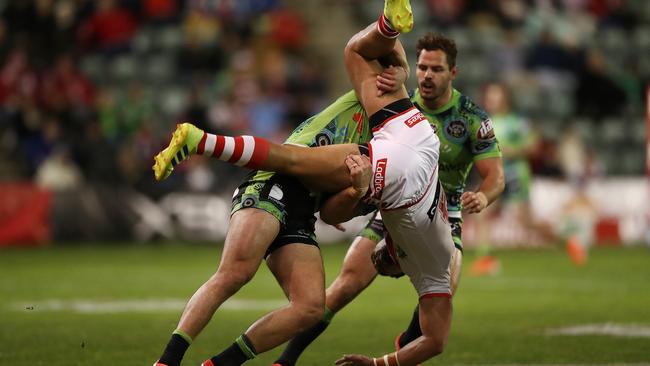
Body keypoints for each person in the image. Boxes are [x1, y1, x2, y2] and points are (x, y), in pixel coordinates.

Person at [152, 0, 450, 365]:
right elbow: (381, 56)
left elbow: (329, 213)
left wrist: (356, 190)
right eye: (390, 260)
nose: (388, 258)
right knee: (235, 273)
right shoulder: (377, 102)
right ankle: (167, 361)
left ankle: (221, 363)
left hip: (304, 207)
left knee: (310, 307)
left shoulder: (381, 187)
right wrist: (402, 66)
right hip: (275, 179)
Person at [273, 33, 505, 366]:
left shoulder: (471, 118)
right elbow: (359, 154)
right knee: (346, 284)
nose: (426, 75)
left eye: (436, 69)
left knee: (445, 287)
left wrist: (483, 197)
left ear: (452, 73)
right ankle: (286, 359)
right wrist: (341, 199)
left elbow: (495, 175)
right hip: (389, 209)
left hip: (442, 214)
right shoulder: (399, 103)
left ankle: (403, 350)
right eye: (422, 67)